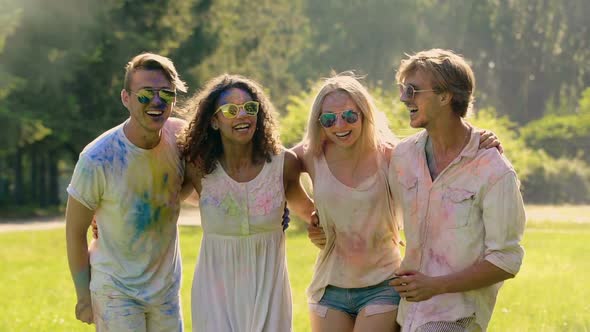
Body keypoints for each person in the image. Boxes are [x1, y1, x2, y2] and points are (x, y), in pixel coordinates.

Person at [298, 73, 503, 332]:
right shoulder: (311, 154)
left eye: (350, 116)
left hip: (383, 284)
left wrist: (479, 138)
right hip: (329, 286)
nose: (340, 125)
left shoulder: (394, 155)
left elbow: (443, 152)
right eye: (329, 119)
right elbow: (277, 166)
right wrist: (310, 215)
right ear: (319, 122)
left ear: (364, 113)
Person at [388, 49, 526, 332]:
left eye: (413, 90)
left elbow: (506, 260)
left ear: (444, 96)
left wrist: (436, 286)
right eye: (403, 89)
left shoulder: (494, 170)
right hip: (405, 313)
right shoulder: (402, 156)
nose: (404, 98)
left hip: (456, 319)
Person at [178, 74, 317, 332]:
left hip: (269, 293)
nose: (242, 115)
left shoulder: (282, 165)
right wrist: (102, 215)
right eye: (231, 110)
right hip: (214, 295)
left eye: (249, 108)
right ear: (214, 121)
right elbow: (162, 203)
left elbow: (313, 214)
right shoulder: (197, 169)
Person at [65, 52, 191, 331]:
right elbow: (75, 231)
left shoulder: (180, 140)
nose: (157, 102)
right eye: (146, 94)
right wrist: (83, 295)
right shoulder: (98, 158)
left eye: (166, 95)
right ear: (126, 98)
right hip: (116, 292)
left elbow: (197, 180)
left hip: (166, 293)